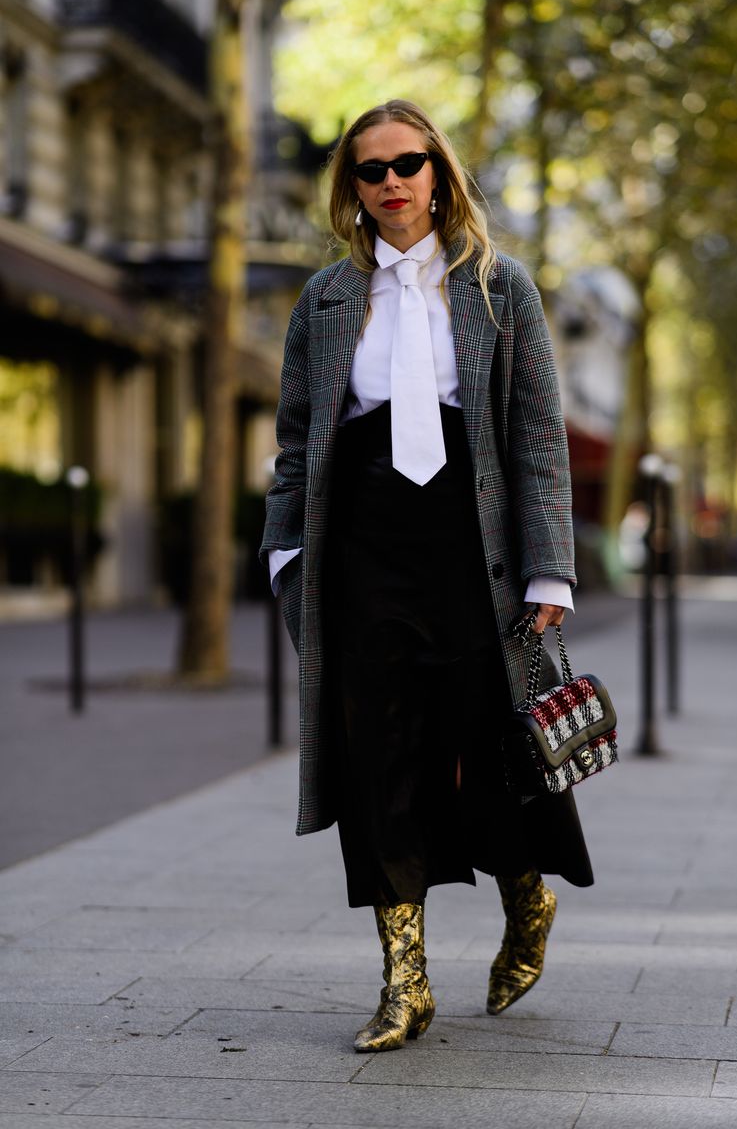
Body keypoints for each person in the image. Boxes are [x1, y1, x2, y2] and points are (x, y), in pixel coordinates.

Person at [260, 99, 593, 1053]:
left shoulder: (500, 285)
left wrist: (551, 572)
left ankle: (527, 900)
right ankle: (405, 980)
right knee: (379, 756)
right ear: (352, 189)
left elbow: (536, 437)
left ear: (439, 173)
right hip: (360, 550)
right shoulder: (326, 298)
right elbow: (295, 443)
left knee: (487, 743)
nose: (393, 181)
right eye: (372, 169)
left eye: (410, 162)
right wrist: (286, 556)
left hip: (469, 542)